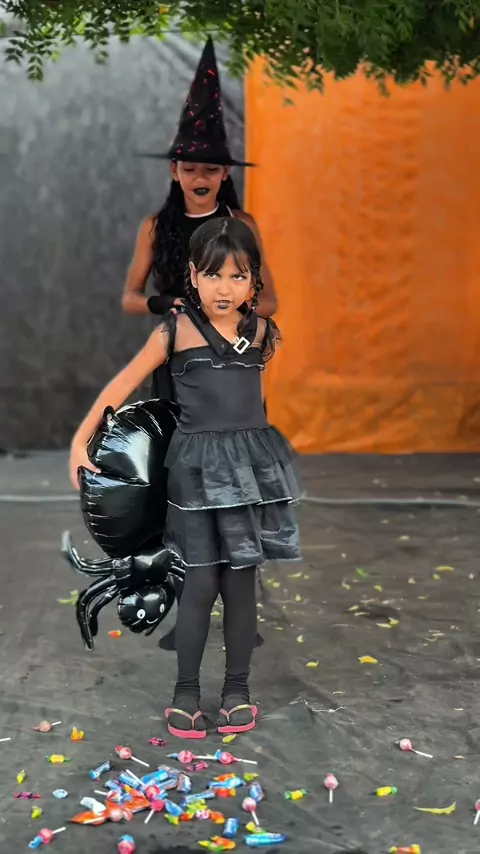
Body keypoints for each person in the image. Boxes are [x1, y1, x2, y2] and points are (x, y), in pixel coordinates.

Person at [70, 217, 301, 738]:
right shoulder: (174, 331)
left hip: (246, 476)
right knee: (199, 583)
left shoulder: (261, 334)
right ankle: (186, 693)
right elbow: (122, 386)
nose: (225, 288)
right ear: (194, 276)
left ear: (254, 281)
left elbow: (250, 405)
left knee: (240, 585)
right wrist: (82, 441)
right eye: (214, 275)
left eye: (238, 276)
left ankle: (238, 690)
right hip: (195, 476)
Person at [121, 36, 277, 402]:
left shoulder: (241, 224)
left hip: (231, 356)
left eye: (210, 170)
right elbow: (130, 298)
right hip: (175, 356)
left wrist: (228, 313)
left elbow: (269, 301)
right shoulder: (155, 227)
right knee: (177, 434)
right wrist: (164, 304)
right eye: (190, 169)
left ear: (225, 173)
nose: (200, 178)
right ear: (175, 172)